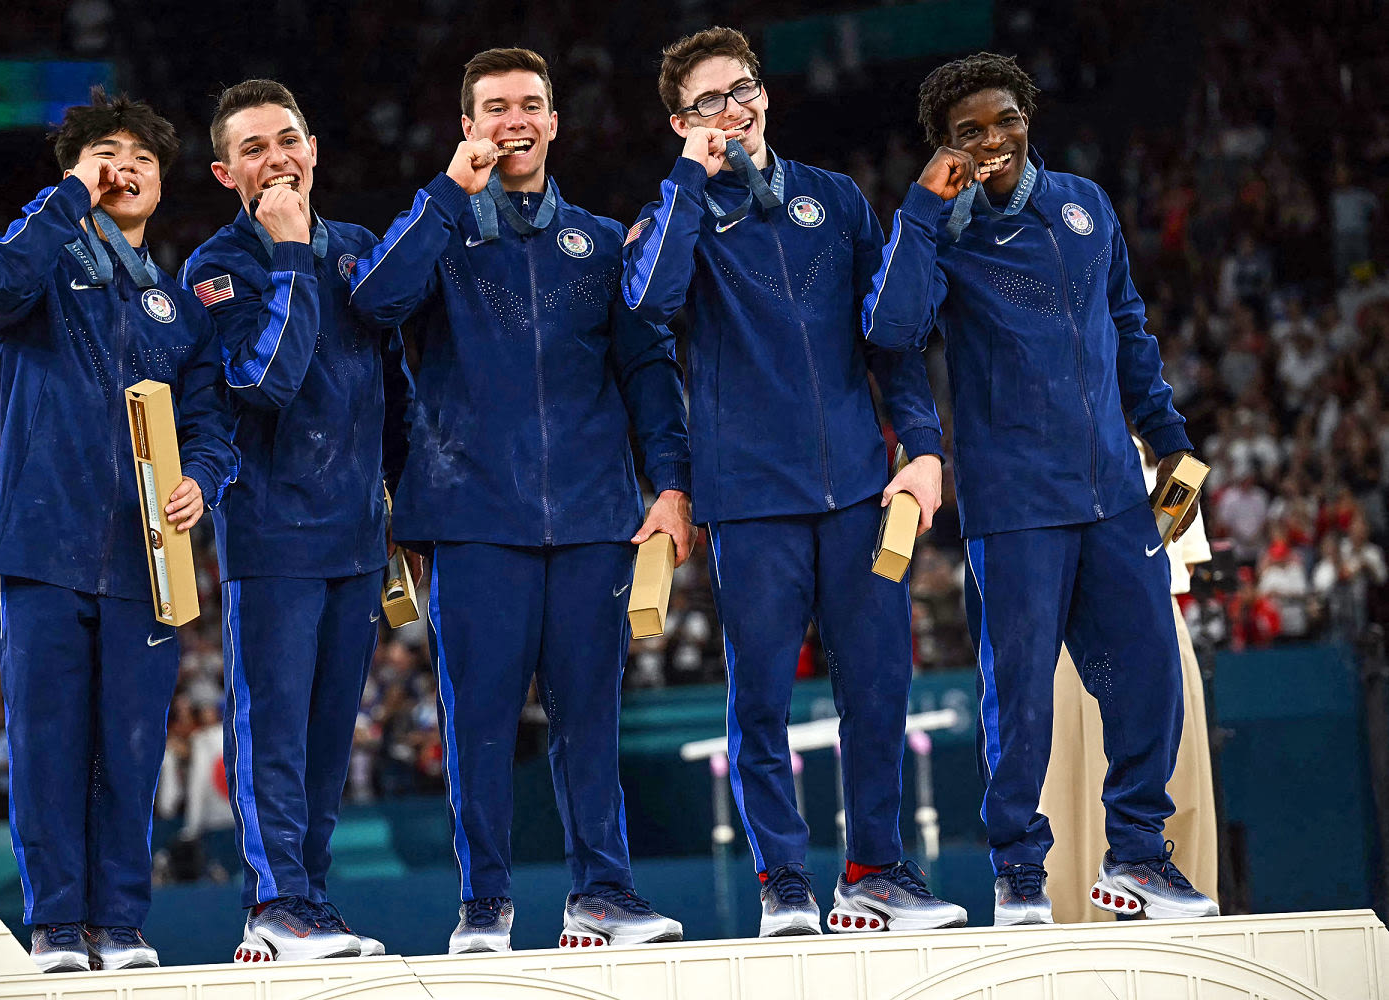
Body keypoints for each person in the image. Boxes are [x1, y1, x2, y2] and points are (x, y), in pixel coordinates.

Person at [860, 51, 1219, 923]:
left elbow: (1128, 327)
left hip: (1113, 495)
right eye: (969, 131)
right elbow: (890, 328)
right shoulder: (942, 233)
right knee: (1015, 697)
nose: (993, 141)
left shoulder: (1085, 207)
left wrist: (1169, 442)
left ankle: (1136, 855)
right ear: (945, 145)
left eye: (1004, 120)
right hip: (1014, 503)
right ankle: (1020, 872)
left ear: (1029, 116)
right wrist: (923, 207)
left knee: (1149, 678)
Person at [622, 27, 964, 937]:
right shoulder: (675, 218)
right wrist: (688, 181)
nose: (732, 108)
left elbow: (888, 343)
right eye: (707, 102)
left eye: (742, 89)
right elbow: (649, 306)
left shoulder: (835, 199)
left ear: (765, 94)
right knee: (761, 699)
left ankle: (876, 873)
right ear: (679, 123)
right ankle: (784, 884)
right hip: (750, 501)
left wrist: (920, 445)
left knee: (879, 686)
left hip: (857, 488)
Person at [350, 48, 692, 953]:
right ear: (468, 127)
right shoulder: (437, 230)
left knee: (591, 719)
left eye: (530, 106)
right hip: (471, 519)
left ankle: (603, 895)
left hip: (591, 517)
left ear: (553, 122)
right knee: (482, 724)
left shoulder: (601, 242)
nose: (514, 121)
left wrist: (669, 485)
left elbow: (647, 370)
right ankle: (484, 904)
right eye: (494, 108)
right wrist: (445, 197)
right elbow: (376, 305)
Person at [0, 88, 238, 972]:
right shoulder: (34, 266)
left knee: (130, 749)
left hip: (145, 558)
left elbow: (209, 423)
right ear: (78, 170)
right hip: (42, 545)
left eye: (143, 160)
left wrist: (202, 477)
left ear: (164, 186)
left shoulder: (179, 307)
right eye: (106, 155)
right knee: (48, 745)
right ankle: (53, 926)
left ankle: (117, 927)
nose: (126, 169)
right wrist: (70, 197)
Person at [184, 79, 408, 962]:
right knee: (271, 730)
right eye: (253, 148)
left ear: (313, 147)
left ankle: (306, 904)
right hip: (273, 536)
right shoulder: (216, 268)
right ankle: (273, 901)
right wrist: (284, 256)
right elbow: (264, 384)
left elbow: (396, 392)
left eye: (287, 139)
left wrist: (406, 513)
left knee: (325, 744)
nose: (275, 159)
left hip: (356, 538)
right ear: (223, 171)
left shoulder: (356, 250)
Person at [1039, 436, 1219, 922]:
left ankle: (1169, 891)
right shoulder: (1047, 448)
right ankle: (1077, 922)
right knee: (1070, 787)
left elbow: (1184, 557)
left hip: (1156, 626)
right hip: (1071, 636)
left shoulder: (1163, 457)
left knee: (1170, 776)